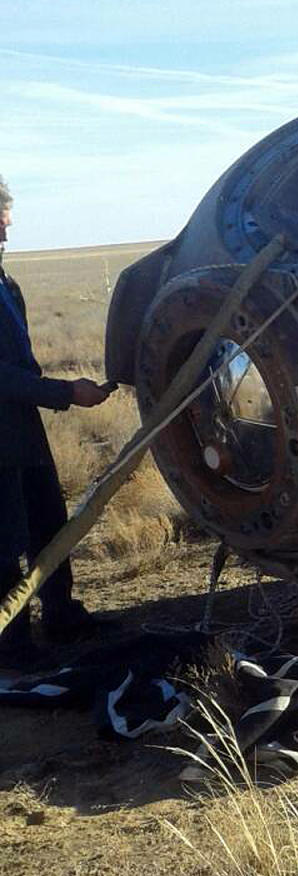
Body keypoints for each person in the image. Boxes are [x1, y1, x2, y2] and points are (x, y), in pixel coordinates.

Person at [0, 176, 118, 669]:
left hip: (22, 423)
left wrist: (57, 392)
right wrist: (66, 393)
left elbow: (19, 367)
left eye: (5, 226)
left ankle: (62, 614)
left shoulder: (8, 284)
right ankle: (12, 642)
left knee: (50, 518)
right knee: (4, 536)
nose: (5, 237)